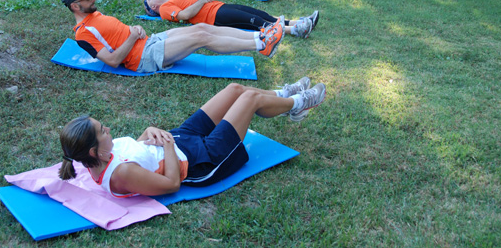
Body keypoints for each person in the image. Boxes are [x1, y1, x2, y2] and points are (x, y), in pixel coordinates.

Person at [58, 79, 327, 196]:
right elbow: (172, 183)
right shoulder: (121, 175)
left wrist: (150, 132)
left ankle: (282, 95)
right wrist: (170, 146)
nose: (108, 130)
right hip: (201, 161)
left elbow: (138, 149)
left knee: (234, 90)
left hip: (179, 139)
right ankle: (298, 103)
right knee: (250, 98)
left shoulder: (102, 154)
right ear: (93, 151)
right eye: (102, 131)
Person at [61, 0, 286, 73]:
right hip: (144, 58)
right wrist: (131, 37)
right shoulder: (83, 34)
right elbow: (111, 60)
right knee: (200, 36)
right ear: (75, 6)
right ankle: (261, 45)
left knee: (202, 26)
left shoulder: (96, 14)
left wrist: (135, 28)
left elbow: (119, 33)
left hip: (149, 41)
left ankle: (262, 34)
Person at [144, 0, 320, 39]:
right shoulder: (165, 8)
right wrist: (202, 1)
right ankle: (297, 30)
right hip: (214, 16)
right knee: (256, 22)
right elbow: (184, 15)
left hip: (219, 7)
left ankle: (300, 22)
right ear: (154, 5)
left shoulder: (169, 1)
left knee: (260, 14)